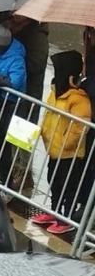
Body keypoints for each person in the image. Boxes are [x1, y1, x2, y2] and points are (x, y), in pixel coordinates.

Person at [35, 51, 91, 235]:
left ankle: (66, 217)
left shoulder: (79, 99)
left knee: (69, 185)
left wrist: (65, 144)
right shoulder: (55, 94)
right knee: (54, 181)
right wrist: (42, 133)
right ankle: (54, 211)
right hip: (54, 151)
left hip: (70, 154)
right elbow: (48, 115)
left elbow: (78, 128)